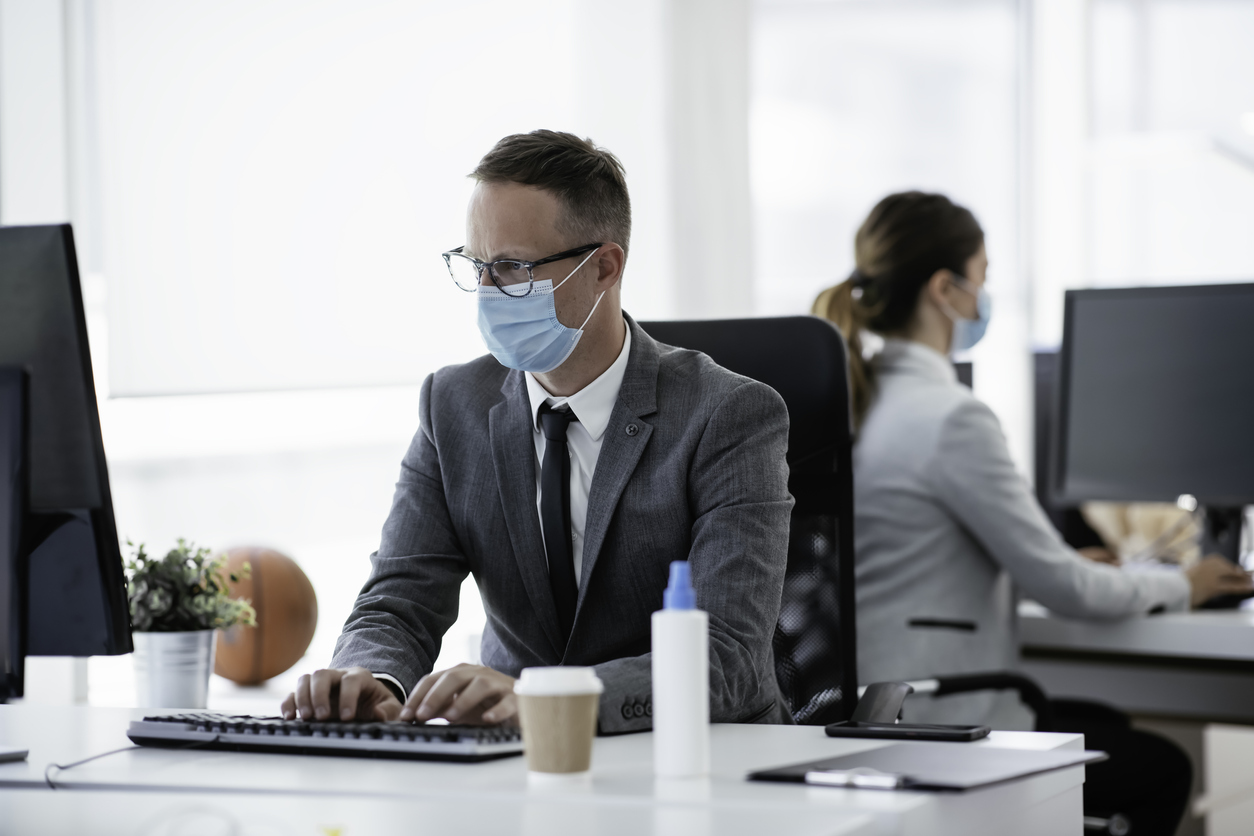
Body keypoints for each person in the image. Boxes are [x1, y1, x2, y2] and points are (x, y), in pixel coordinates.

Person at [281, 130, 794, 734]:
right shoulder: (452, 406)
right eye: (477, 266)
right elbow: (400, 596)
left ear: (603, 267)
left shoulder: (730, 414)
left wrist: (547, 699)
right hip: (510, 763)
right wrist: (370, 677)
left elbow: (726, 659)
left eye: (513, 268)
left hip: (696, 760)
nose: (489, 292)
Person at [812, 191, 1253, 836]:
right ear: (945, 289)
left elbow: (921, 552)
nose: (984, 297)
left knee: (1108, 726)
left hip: (876, 705)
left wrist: (1055, 560)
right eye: (982, 276)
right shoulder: (950, 417)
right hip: (940, 718)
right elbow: (1067, 590)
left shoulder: (862, 398)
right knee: (1161, 768)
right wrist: (1184, 583)